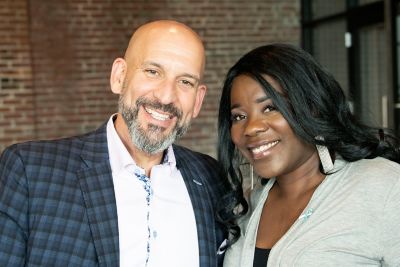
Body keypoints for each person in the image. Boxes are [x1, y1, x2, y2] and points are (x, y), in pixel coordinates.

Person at [0, 20, 229, 267]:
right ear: (119, 76)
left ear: (198, 100)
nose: (166, 96)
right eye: (153, 71)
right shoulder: (31, 172)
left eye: (185, 82)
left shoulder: (212, 180)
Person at [217, 43, 400, 266]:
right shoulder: (248, 205)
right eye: (238, 116)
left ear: (312, 107)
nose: (251, 128)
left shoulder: (382, 185)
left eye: (270, 107)